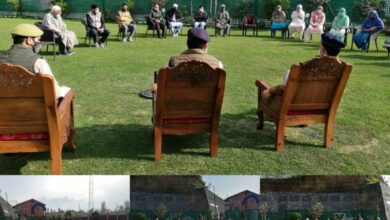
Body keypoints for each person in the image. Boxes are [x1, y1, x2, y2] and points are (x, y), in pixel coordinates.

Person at [261, 32, 345, 102]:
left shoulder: (311, 66)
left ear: (323, 50)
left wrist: (271, 90)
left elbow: (289, 89)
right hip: (321, 107)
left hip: (298, 105)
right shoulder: (341, 69)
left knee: (289, 73)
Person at [0, 24, 70, 99]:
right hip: (33, 108)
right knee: (67, 91)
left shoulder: (1, 58)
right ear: (29, 40)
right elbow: (53, 91)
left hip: (4, 107)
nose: (39, 43)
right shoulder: (38, 62)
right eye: (37, 40)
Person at [152, 28, 223, 93]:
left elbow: (161, 85)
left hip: (176, 105)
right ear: (205, 46)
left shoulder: (173, 62)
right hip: (206, 106)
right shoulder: (217, 64)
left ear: (187, 43)